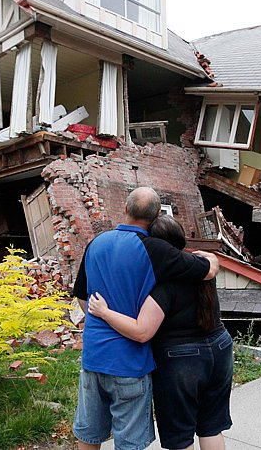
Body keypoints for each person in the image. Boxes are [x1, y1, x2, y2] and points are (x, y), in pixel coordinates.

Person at [71, 187, 219, 450]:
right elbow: (206, 271)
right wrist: (211, 258)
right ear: (155, 216)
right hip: (130, 362)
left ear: (125, 209)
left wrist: (102, 319)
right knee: (129, 442)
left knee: (89, 433)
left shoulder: (96, 243)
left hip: (94, 356)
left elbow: (82, 297)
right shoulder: (156, 250)